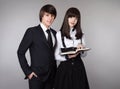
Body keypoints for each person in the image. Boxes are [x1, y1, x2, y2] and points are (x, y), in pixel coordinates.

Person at [17, 4, 57, 89]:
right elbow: (20, 52)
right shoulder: (32, 31)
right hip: (36, 77)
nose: (50, 18)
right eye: (47, 15)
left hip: (52, 77)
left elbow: (56, 54)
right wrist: (28, 72)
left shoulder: (55, 33)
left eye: (52, 16)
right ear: (41, 16)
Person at [54, 7, 90, 89]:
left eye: (76, 18)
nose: (73, 20)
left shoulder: (81, 34)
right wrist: (67, 57)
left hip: (78, 68)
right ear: (66, 18)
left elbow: (84, 55)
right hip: (65, 69)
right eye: (70, 17)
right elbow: (55, 55)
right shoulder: (59, 34)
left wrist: (82, 49)